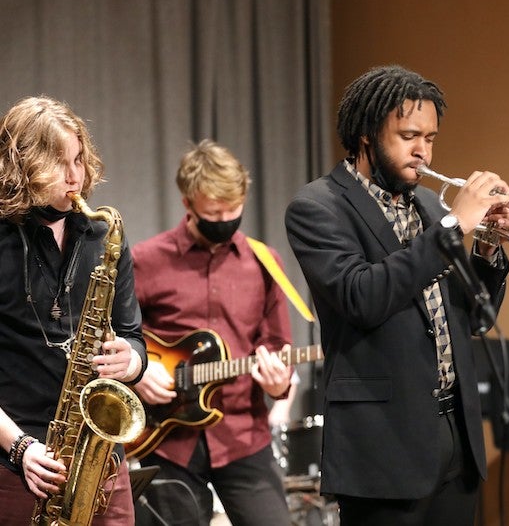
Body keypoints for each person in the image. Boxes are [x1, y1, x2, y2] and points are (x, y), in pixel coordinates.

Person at [284, 64, 509, 526]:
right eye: (409, 136)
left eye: (430, 138)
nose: (423, 152)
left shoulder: (430, 205)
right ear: (368, 134)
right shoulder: (317, 207)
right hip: (383, 448)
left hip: (456, 438)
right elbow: (363, 297)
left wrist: (487, 246)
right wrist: (454, 226)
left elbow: (475, 318)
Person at [0, 95, 147, 525]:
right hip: (17, 464)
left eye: (79, 159)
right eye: (58, 163)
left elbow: (134, 338)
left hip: (101, 464)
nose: (74, 176)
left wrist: (130, 361)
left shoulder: (103, 234)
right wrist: (20, 447)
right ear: (22, 165)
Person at [132, 140, 295, 526]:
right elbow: (116, 335)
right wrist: (139, 371)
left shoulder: (264, 261)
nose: (224, 219)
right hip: (168, 438)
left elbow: (277, 343)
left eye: (233, 210)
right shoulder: (145, 259)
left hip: (244, 434)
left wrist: (279, 384)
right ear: (187, 204)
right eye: (213, 213)